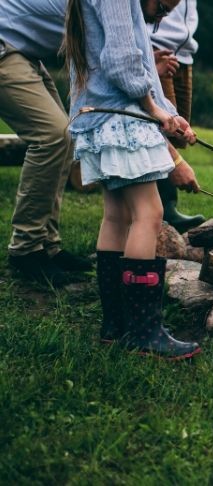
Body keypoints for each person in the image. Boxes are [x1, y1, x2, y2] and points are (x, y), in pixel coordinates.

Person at [63, 0, 202, 360]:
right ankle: (144, 332)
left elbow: (134, 66)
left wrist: (171, 116)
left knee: (117, 217)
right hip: (119, 118)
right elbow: (123, 62)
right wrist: (157, 113)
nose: (166, 13)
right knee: (149, 214)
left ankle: (117, 325)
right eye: (164, 4)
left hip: (99, 115)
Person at [0, 0, 93, 287]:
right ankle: (26, 249)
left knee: (65, 138)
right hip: (4, 47)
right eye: (162, 8)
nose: (161, 18)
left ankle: (47, 245)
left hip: (26, 53)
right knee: (53, 136)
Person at [149, 0, 205, 233]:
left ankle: (164, 205)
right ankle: (162, 207)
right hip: (156, 47)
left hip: (184, 53)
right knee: (160, 126)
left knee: (178, 132)